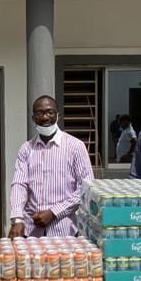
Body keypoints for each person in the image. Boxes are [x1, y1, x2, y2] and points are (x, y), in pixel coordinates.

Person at [8, 95, 94, 238]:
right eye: (39, 113)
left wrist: (54, 212)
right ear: (33, 118)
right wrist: (17, 219)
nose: (45, 117)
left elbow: (86, 188)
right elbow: (19, 184)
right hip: (31, 231)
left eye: (50, 112)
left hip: (64, 231)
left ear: (58, 115)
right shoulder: (26, 149)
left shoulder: (75, 147)